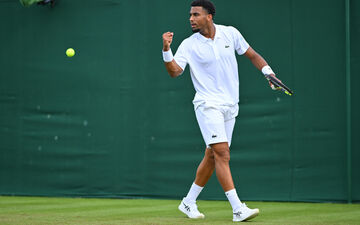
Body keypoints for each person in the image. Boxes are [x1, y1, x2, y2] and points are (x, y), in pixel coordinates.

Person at [162, 0, 283, 222]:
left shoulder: (231, 34)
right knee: (222, 153)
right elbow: (174, 72)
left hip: (230, 105)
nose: (191, 18)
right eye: (190, 15)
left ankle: (188, 202)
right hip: (207, 104)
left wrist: (269, 73)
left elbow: (253, 55)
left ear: (209, 16)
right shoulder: (189, 44)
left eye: (196, 14)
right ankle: (238, 209)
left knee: (212, 154)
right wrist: (166, 50)